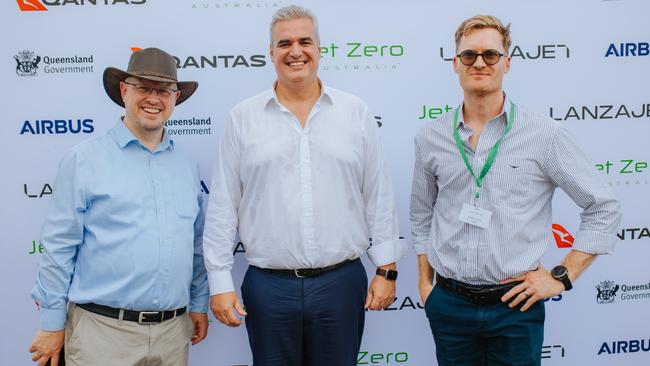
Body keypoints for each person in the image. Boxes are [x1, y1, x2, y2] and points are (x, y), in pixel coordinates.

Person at [410, 15, 621, 366]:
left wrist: (562, 277)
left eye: (490, 55)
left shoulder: (545, 135)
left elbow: (603, 207)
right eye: (469, 55)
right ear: (455, 64)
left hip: (515, 306)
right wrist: (425, 286)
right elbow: (421, 213)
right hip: (449, 304)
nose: (479, 63)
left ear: (506, 63)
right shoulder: (430, 137)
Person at [202, 5, 405, 366]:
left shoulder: (355, 112)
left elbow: (378, 194)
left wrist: (386, 270)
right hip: (268, 287)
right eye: (284, 43)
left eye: (304, 41)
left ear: (320, 48)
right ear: (271, 53)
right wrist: (219, 282)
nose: (295, 51)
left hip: (340, 284)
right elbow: (222, 204)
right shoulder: (242, 118)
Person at [28, 47, 209, 366]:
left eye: (163, 91)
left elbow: (195, 245)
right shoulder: (84, 160)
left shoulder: (187, 166)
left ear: (175, 98)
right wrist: (52, 323)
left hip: (172, 335)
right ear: (124, 90)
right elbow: (58, 248)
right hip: (103, 335)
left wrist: (198, 303)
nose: (153, 98)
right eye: (143, 88)